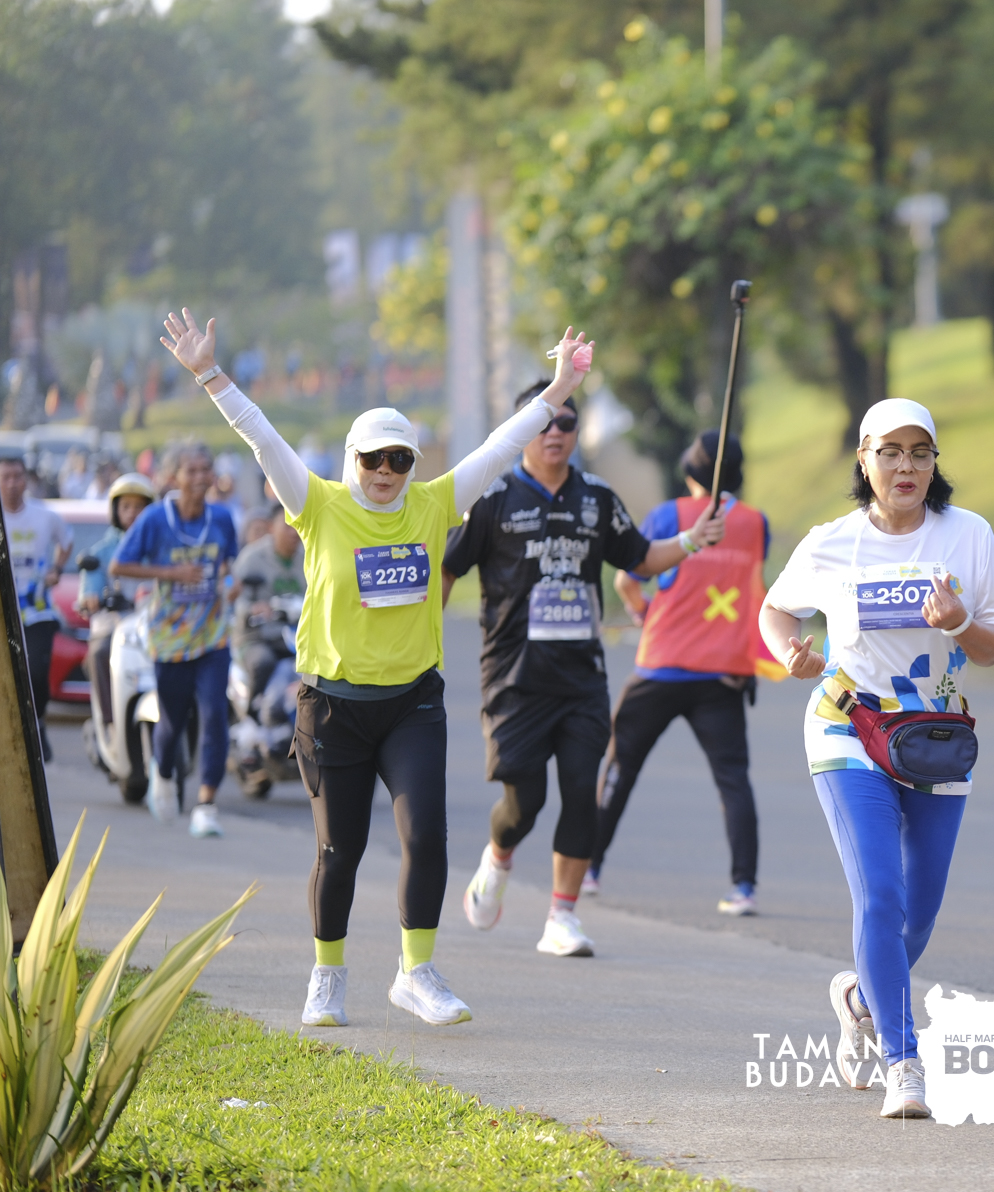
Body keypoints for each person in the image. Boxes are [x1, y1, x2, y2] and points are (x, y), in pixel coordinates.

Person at [155, 305, 595, 1029]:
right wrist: (209, 375)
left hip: (411, 703)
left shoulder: (434, 505)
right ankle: (327, 976)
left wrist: (557, 391)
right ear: (351, 460)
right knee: (340, 849)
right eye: (373, 459)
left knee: (425, 837)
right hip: (332, 707)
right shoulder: (317, 504)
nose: (386, 472)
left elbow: (498, 446)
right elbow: (262, 439)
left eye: (399, 460)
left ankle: (416, 973)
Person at [758, 398, 994, 1120]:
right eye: (891, 452)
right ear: (864, 459)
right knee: (880, 893)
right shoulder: (831, 542)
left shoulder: (969, 536)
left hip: (935, 738)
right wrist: (788, 653)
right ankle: (904, 1063)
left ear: (934, 462)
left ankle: (858, 997)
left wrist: (960, 624)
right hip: (848, 726)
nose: (906, 466)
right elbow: (776, 609)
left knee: (917, 916)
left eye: (920, 452)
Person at [443, 385, 721, 958]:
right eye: (543, 422)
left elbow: (640, 557)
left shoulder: (596, 496)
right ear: (522, 430)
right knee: (524, 803)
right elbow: (447, 570)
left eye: (566, 423)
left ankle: (561, 918)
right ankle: (497, 858)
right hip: (514, 679)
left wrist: (692, 541)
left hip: (581, 679)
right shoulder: (491, 497)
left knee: (580, 792)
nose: (555, 432)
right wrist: (420, 640)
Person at [589, 430, 772, 915]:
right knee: (733, 780)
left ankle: (588, 868)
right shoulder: (756, 523)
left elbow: (628, 578)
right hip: (725, 673)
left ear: (690, 471)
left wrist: (642, 611)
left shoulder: (669, 515)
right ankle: (744, 887)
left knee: (620, 767)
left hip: (662, 666)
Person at [111, 441, 240, 835]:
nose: (200, 477)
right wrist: (171, 574)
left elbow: (228, 564)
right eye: (192, 470)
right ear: (174, 477)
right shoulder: (155, 519)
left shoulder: (222, 518)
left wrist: (229, 584)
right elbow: (119, 565)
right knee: (172, 721)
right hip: (169, 638)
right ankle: (163, 770)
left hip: (213, 635)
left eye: (206, 469)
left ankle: (206, 804)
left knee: (215, 715)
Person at [1, 455, 72, 756]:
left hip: (37, 609)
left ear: (26, 480)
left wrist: (57, 568)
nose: (12, 483)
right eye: (5, 477)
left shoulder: (45, 516)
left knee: (37, 671)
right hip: (4, 611)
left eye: (17, 476)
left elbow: (67, 541)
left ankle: (38, 721)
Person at [79, 472, 157, 736]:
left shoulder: (159, 547)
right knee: (100, 652)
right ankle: (110, 723)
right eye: (126, 506)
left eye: (139, 506)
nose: (132, 512)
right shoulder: (101, 551)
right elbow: (91, 582)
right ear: (115, 510)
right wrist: (91, 597)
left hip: (153, 624)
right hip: (114, 624)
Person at [230, 503, 305, 715]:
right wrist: (252, 609)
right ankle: (253, 715)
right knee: (262, 663)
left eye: (297, 526)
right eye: (288, 526)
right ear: (271, 527)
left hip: (296, 636)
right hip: (257, 637)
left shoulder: (309, 556)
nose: (294, 533)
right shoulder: (252, 558)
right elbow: (234, 597)